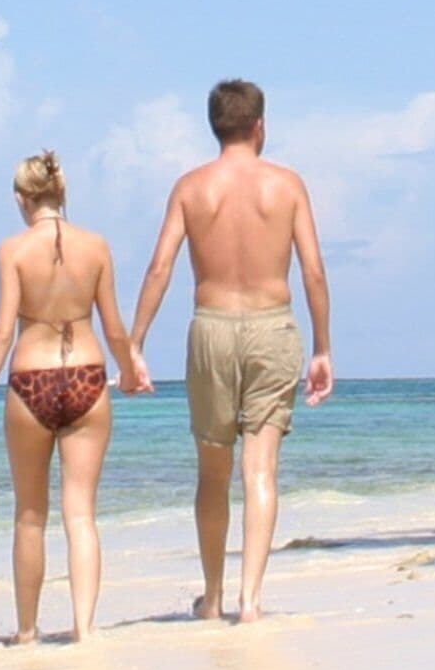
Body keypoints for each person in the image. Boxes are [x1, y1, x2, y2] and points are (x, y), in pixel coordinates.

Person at [125, 78, 332, 624]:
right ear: (260, 125)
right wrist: (323, 348)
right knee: (259, 470)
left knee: (212, 472)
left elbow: (160, 268)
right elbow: (312, 268)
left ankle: (213, 598)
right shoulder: (287, 186)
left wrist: (134, 344)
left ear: (214, 126)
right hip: (273, 327)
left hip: (211, 329)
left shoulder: (192, 188)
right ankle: (252, 601)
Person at [0, 150, 141, 645]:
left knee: (29, 515)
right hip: (87, 375)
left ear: (23, 198)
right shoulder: (97, 246)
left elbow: (4, 329)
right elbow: (113, 326)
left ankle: (26, 631)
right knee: (81, 512)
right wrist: (129, 372)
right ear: (62, 193)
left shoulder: (12, 250)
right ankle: (85, 627)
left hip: (30, 381)